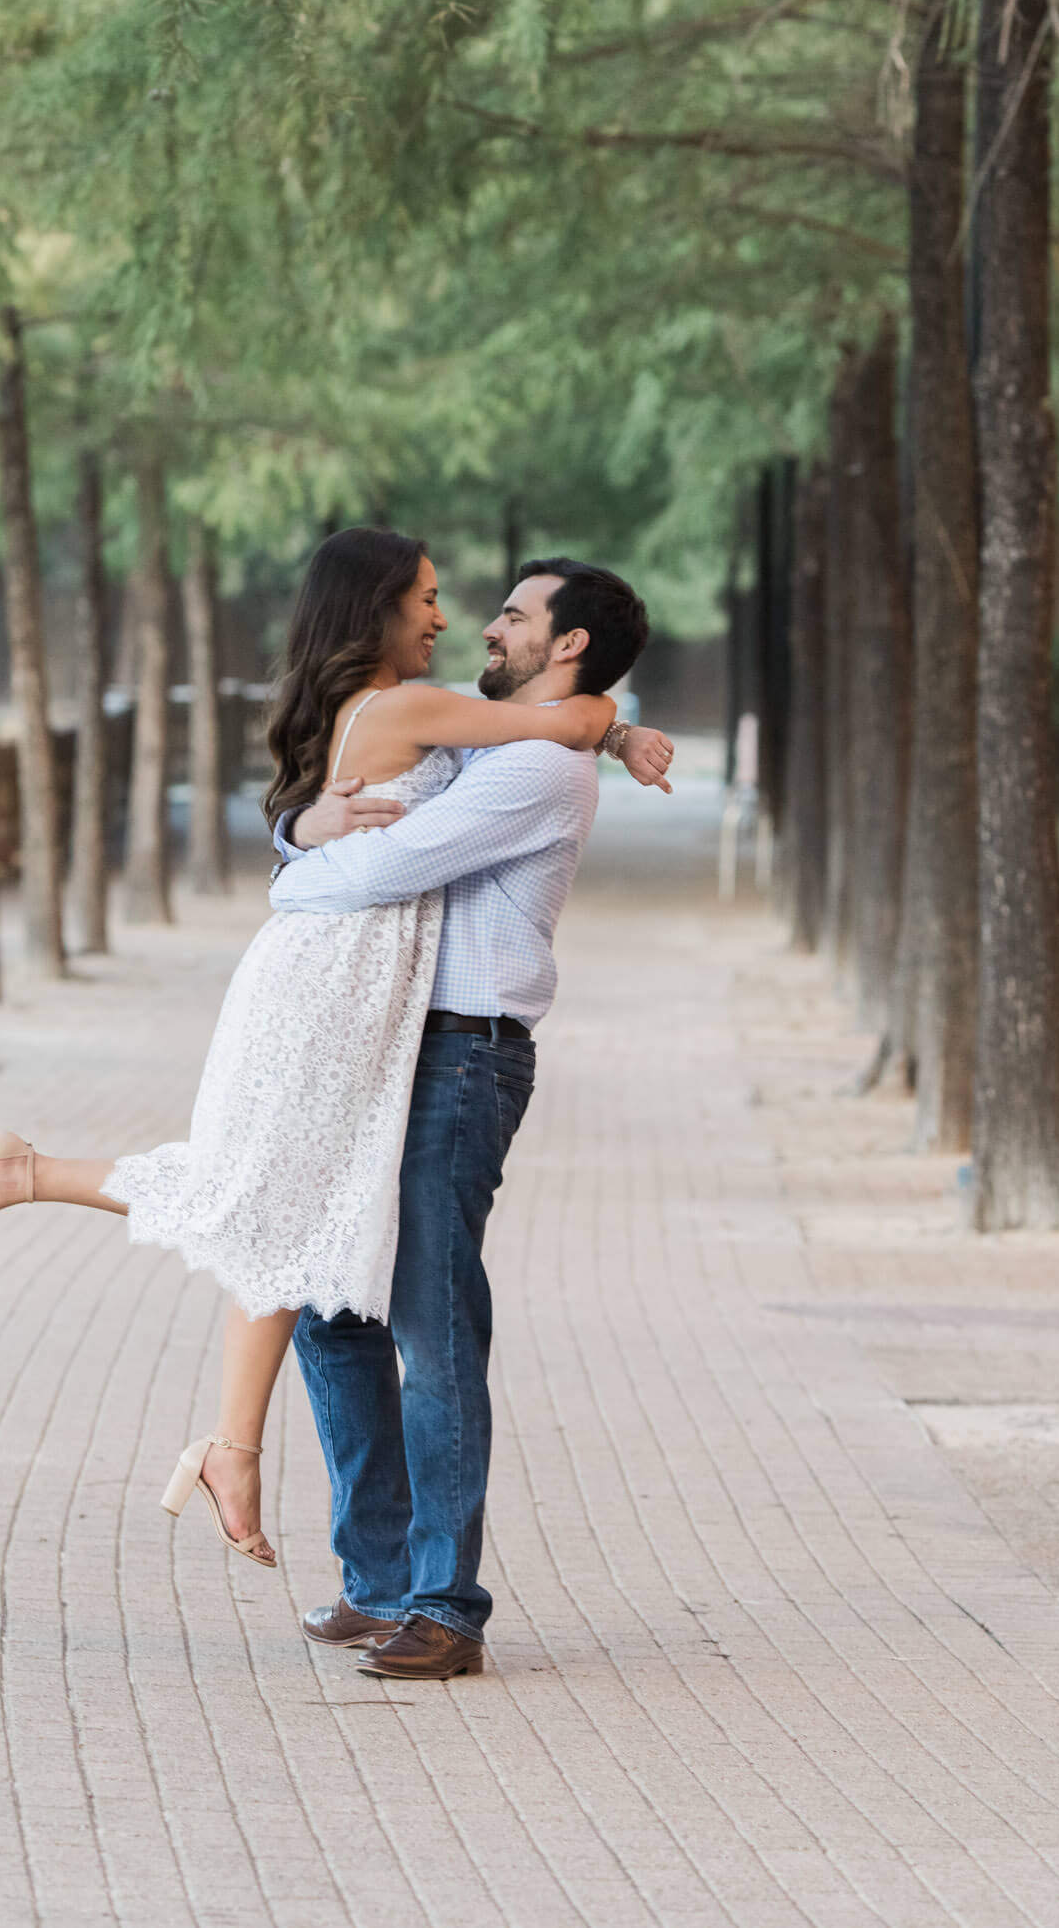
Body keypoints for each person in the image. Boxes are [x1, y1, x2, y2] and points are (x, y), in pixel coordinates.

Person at [0, 530, 669, 1571]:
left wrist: (612, 730)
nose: (462, 621)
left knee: (291, 1226)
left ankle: (266, 1469)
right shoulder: (450, 716)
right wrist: (610, 725)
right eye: (434, 597)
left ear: (567, 639)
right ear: (379, 607)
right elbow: (550, 726)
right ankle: (250, 1454)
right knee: (270, 1211)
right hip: (337, 988)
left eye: (504, 613)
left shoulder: (502, 748)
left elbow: (551, 728)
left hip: (402, 1017)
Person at [268, 556, 665, 1678]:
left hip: (460, 1060)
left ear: (568, 644)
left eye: (513, 615)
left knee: (432, 1329)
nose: (483, 626)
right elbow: (355, 815)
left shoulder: (534, 772)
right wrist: (310, 828)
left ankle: (446, 1604)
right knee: (331, 1313)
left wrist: (296, 864)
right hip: (389, 1051)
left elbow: (380, 865)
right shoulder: (492, 740)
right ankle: (381, 1582)